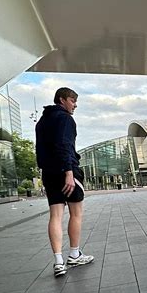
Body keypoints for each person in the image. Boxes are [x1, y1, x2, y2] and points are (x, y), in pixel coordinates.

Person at [35, 87, 94, 277]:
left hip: (49, 173)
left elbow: (40, 151)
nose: (75, 104)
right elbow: (64, 145)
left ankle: (59, 261)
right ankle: (75, 255)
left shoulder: (42, 121)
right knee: (76, 213)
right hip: (67, 171)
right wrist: (68, 172)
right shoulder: (65, 119)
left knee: (55, 215)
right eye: (72, 100)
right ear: (62, 100)